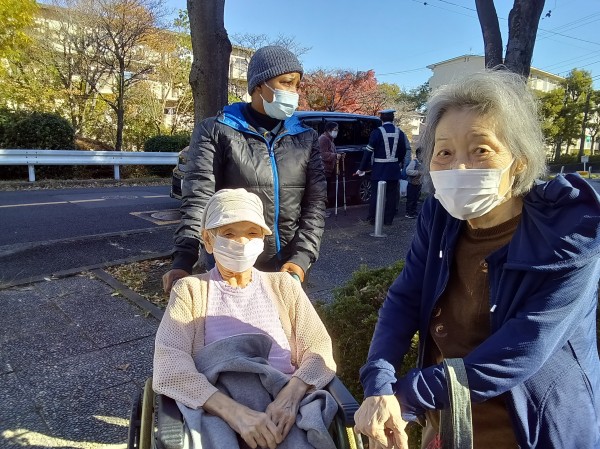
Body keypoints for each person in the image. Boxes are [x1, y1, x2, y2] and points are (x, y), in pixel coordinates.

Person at [353, 70, 600, 449]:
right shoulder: (439, 216)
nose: (459, 168)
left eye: (481, 150)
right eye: (444, 152)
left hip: (531, 429)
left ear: (519, 161)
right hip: (449, 420)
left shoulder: (568, 230)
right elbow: (404, 298)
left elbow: (520, 349)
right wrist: (379, 382)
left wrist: (403, 397)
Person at [153, 188, 337, 449]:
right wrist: (236, 414)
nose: (241, 243)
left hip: (282, 409)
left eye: (252, 233)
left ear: (262, 239)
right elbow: (169, 364)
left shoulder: (284, 286)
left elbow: (319, 350)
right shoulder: (190, 291)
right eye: (229, 234)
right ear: (208, 240)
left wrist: (289, 398)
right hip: (220, 411)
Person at [163, 45, 327, 293]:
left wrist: (301, 259)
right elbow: (199, 200)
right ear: (259, 85)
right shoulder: (216, 131)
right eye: (286, 82)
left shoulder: (305, 137)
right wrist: (183, 260)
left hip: (287, 267)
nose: (294, 92)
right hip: (231, 265)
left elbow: (315, 205)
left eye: (297, 85)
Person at [355, 109, 409, 225]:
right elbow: (403, 151)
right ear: (393, 118)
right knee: (391, 196)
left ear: (381, 119)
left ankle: (373, 219)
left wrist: (361, 168)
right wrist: (396, 162)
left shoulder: (377, 132)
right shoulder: (400, 133)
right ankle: (388, 220)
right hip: (393, 170)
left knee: (376, 195)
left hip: (379, 170)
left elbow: (368, 151)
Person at [318, 121, 343, 217]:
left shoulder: (329, 139)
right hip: (323, 169)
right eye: (335, 130)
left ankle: (323, 210)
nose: (336, 132)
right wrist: (335, 155)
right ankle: (321, 212)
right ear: (329, 130)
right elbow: (322, 154)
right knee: (323, 192)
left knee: (326, 191)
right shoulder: (324, 139)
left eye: (337, 130)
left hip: (327, 169)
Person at [404, 147, 423, 218]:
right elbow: (408, 171)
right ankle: (409, 212)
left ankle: (413, 211)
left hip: (418, 183)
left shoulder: (421, 163)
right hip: (412, 183)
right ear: (418, 154)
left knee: (415, 198)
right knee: (411, 198)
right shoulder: (414, 162)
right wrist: (417, 172)